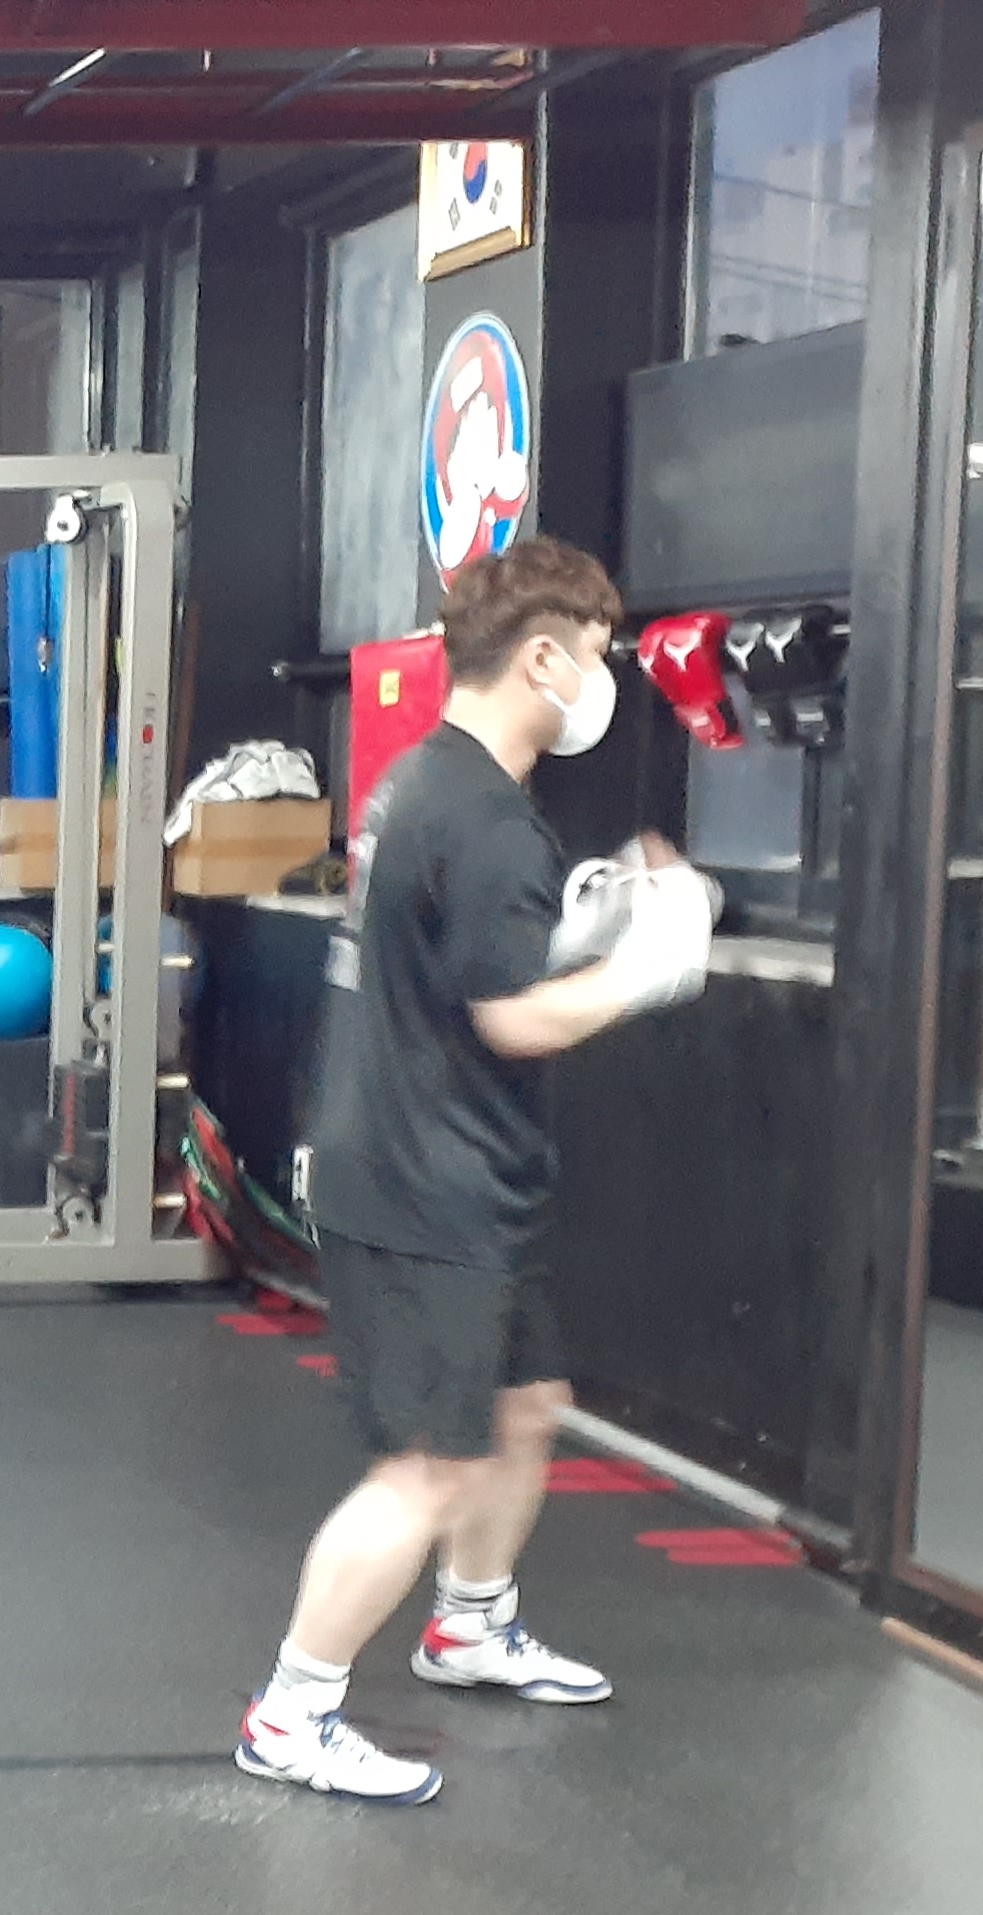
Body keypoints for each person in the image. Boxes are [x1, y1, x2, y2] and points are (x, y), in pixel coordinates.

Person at [235, 536, 716, 1806]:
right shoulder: (491, 819)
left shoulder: (423, 781)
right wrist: (649, 968)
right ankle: (293, 1712)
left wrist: (584, 925)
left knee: (527, 1402)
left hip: (448, 1163)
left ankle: (470, 1624)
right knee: (426, 1468)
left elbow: (457, 955)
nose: (602, 684)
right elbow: (514, 1019)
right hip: (425, 1180)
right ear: (544, 659)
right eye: (597, 658)